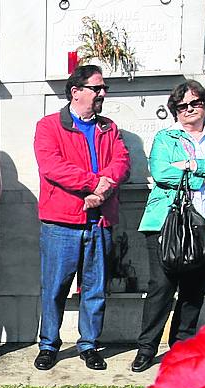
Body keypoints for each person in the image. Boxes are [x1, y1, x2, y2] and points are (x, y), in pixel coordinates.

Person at [132, 80, 205, 373]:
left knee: (194, 290)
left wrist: (193, 165)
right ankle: (146, 348)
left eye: (195, 103)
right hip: (166, 223)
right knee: (161, 288)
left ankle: (181, 347)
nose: (189, 110)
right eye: (182, 106)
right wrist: (204, 178)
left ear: (204, 104)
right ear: (175, 111)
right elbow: (162, 172)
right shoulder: (166, 138)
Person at [33, 64, 129, 371]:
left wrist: (102, 190)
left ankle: (89, 344)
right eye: (96, 88)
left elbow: (122, 162)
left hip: (99, 221)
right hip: (61, 223)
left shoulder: (108, 128)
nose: (102, 94)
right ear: (76, 92)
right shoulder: (49, 126)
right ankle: (48, 344)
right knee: (55, 288)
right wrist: (92, 183)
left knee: (95, 288)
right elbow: (52, 166)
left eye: (103, 89)